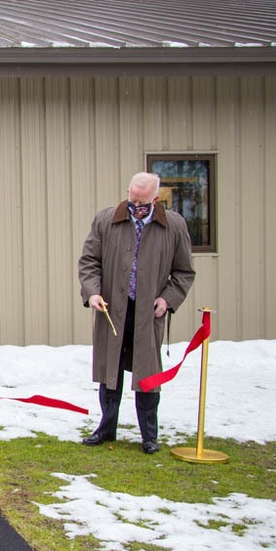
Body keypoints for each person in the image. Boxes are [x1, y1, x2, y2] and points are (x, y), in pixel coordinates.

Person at [78, 172, 195, 454]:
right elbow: (89, 261)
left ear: (156, 199)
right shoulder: (106, 220)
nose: (136, 206)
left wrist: (167, 300)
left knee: (147, 374)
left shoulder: (174, 225)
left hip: (149, 313)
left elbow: (184, 272)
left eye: (142, 202)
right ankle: (106, 429)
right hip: (112, 310)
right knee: (110, 370)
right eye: (132, 199)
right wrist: (92, 291)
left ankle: (149, 436)